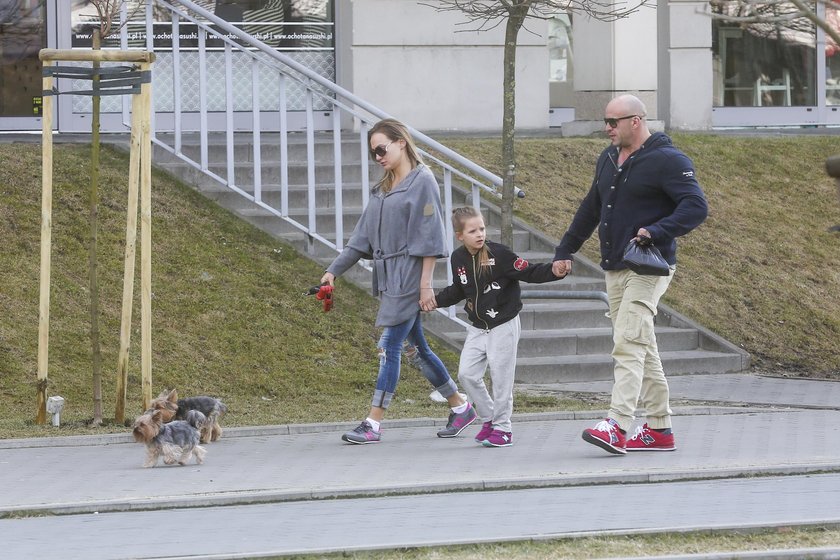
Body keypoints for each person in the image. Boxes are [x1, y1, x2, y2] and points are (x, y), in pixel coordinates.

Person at [552, 94, 708, 455]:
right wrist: (565, 250)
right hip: (616, 267)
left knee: (627, 342)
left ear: (636, 121)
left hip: (650, 266)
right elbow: (590, 208)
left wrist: (657, 230)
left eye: (613, 122)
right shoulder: (608, 158)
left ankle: (617, 424)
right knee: (640, 343)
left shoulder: (669, 160)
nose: (606, 129)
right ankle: (659, 429)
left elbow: (696, 207)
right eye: (605, 122)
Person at [320, 118, 476, 444]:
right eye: (373, 153)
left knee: (389, 345)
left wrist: (425, 286)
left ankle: (373, 422)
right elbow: (359, 241)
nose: (378, 157)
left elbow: (430, 238)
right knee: (416, 347)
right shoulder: (381, 191)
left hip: (410, 276)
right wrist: (332, 272)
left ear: (401, 142)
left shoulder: (424, 182)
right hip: (389, 279)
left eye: (382, 149)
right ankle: (460, 406)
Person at [428, 207, 565, 447]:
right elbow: (459, 290)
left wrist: (554, 271)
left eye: (482, 228)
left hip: (504, 325)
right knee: (467, 374)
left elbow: (529, 271)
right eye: (472, 231)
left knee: (501, 380)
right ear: (460, 236)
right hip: (478, 327)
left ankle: (503, 429)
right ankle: (490, 418)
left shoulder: (499, 255)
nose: (479, 234)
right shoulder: (458, 259)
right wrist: (435, 301)